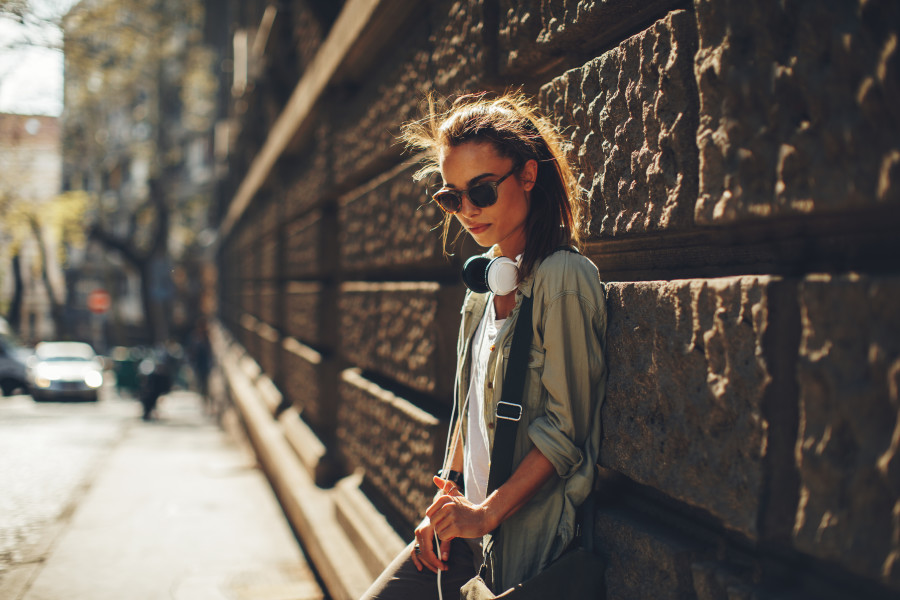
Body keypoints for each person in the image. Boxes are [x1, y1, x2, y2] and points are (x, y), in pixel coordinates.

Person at [360, 91, 607, 599]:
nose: (467, 211)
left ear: (528, 176)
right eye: (452, 197)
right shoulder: (484, 287)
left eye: (482, 191)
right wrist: (446, 498)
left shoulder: (563, 279)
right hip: (461, 536)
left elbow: (565, 430)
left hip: (522, 541)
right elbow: (473, 408)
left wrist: (483, 514)